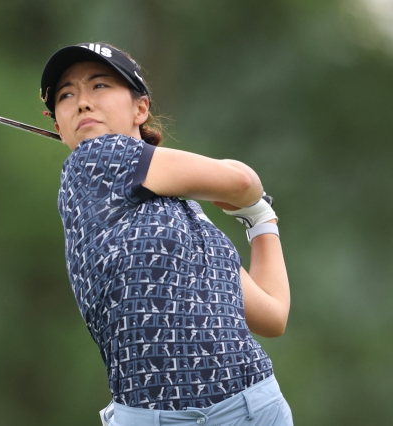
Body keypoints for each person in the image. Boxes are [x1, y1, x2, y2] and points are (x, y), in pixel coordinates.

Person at [40, 42, 293, 426]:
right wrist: (249, 198)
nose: (83, 102)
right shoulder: (93, 162)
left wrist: (261, 219)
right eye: (66, 94)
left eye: (100, 86)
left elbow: (272, 316)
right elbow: (241, 180)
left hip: (254, 407)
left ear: (140, 108)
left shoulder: (185, 214)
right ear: (57, 124)